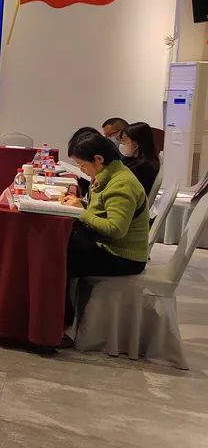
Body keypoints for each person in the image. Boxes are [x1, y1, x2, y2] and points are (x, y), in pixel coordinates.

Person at [60, 132, 148, 328]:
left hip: (123, 256)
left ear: (98, 159)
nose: (81, 169)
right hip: (108, 245)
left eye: (82, 164)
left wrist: (81, 213)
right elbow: (101, 210)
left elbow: (116, 229)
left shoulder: (122, 184)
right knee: (61, 246)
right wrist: (81, 204)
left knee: (59, 259)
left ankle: (61, 323)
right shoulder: (110, 175)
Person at [118, 121, 161, 199]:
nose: (122, 144)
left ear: (136, 143)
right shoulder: (131, 159)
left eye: (124, 141)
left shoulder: (144, 167)